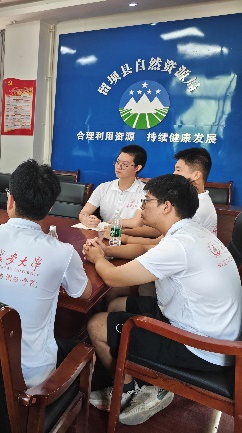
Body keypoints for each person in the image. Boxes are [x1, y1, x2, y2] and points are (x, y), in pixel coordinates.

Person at [83, 174, 242, 426]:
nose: (141, 207)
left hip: (201, 347)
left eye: (146, 201)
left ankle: (129, 388)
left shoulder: (178, 245)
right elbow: (146, 249)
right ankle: (131, 371)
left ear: (166, 206)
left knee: (96, 324)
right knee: (115, 304)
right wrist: (106, 249)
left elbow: (113, 277)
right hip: (214, 330)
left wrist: (98, 259)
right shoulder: (191, 232)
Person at [0, 159, 91, 388]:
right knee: (79, 344)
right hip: (30, 377)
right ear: (50, 207)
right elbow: (84, 294)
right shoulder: (62, 252)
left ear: (10, 200)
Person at [79, 144, 147, 228]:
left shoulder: (144, 192)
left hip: (128, 234)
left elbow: (136, 222)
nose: (119, 167)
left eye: (125, 164)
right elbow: (83, 213)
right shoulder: (103, 188)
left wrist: (111, 223)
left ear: (137, 168)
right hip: (104, 233)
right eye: (118, 162)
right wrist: (86, 220)